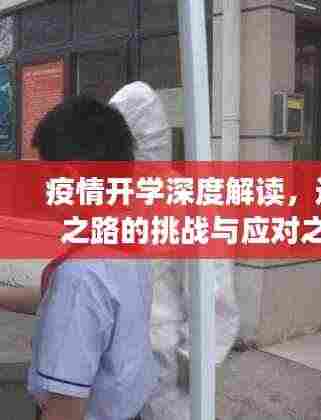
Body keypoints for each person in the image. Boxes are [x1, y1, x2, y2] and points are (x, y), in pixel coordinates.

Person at [0, 95, 158, 420]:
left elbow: (65, 410)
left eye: (45, 178)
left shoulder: (81, 274)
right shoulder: (124, 243)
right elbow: (58, 297)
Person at [109, 81, 240, 420]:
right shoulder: (113, 198)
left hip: (165, 363)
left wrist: (194, 358)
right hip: (116, 358)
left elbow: (213, 292)